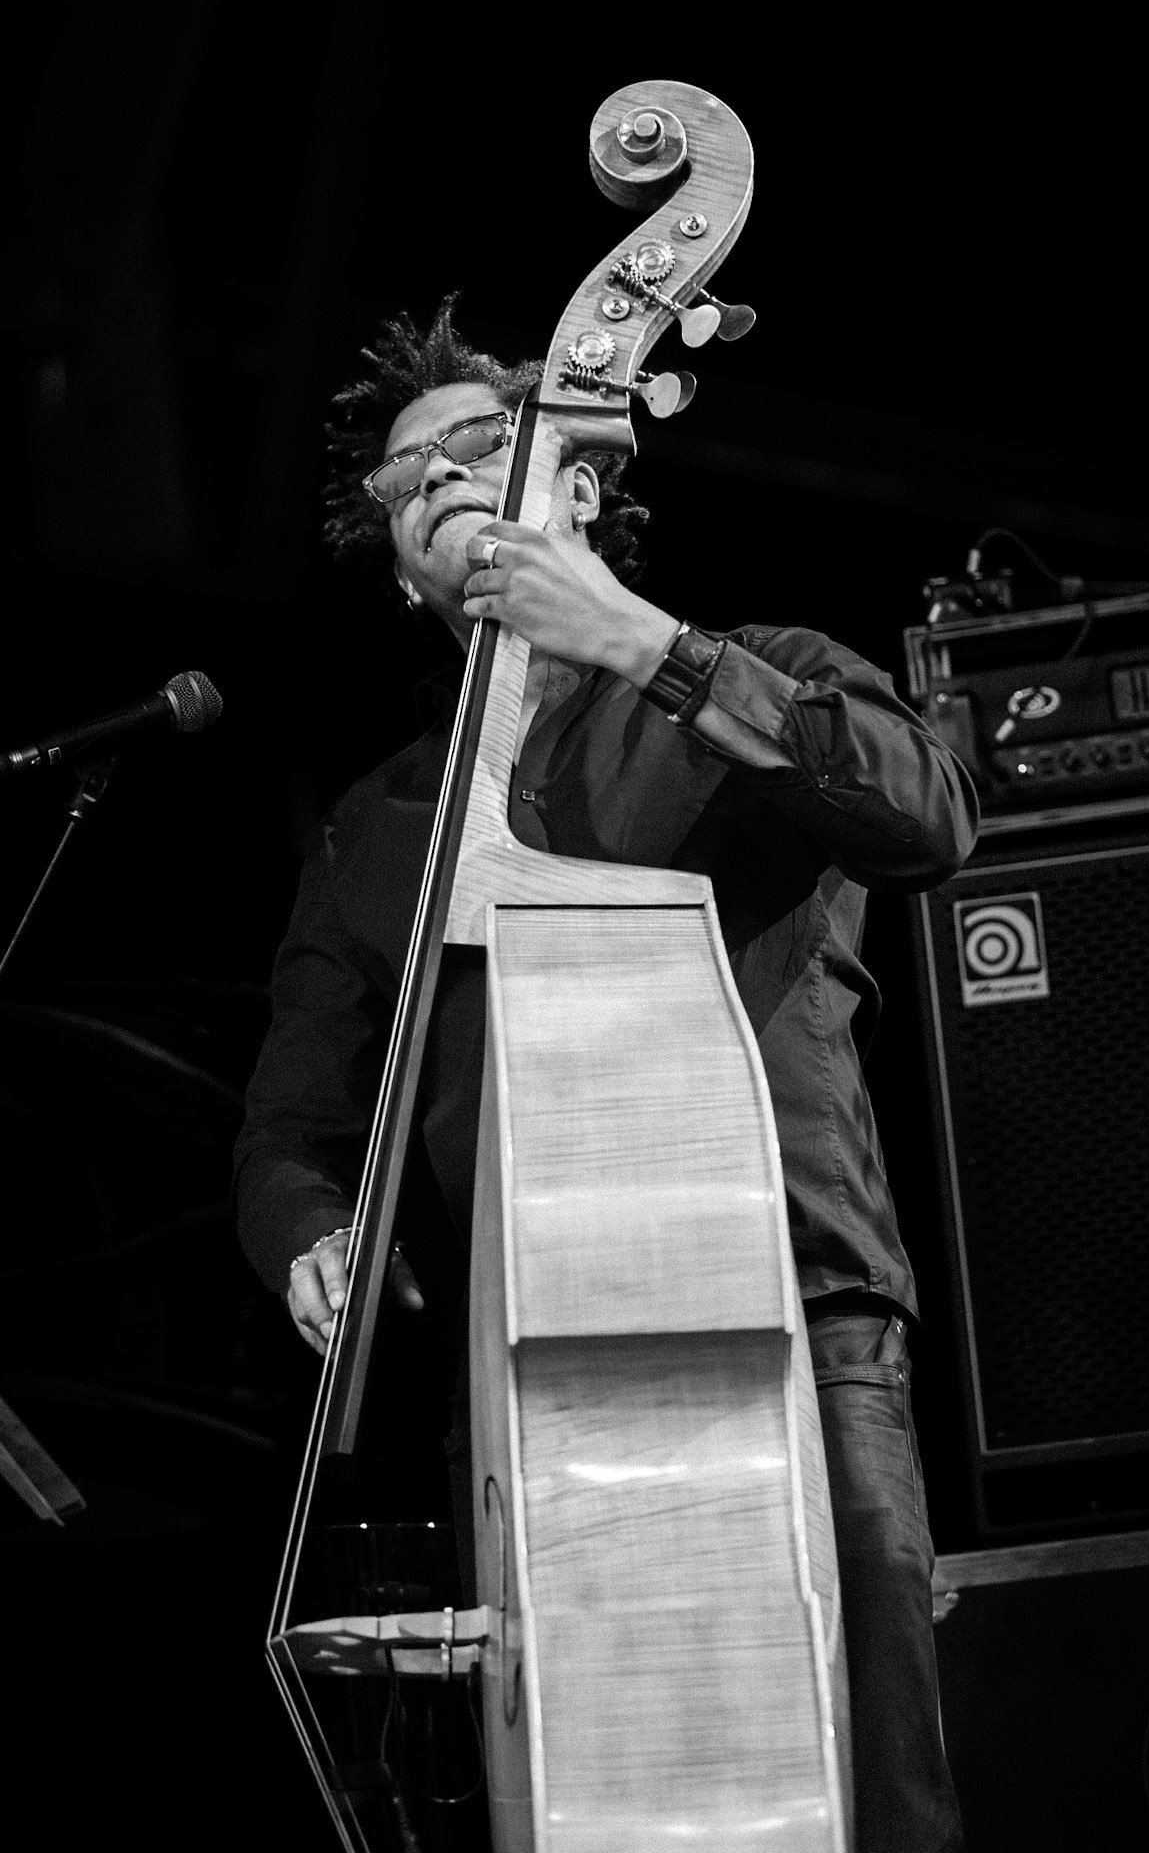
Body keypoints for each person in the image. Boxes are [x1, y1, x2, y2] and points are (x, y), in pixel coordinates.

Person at [234, 296, 977, 1852]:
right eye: (398, 483)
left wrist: (643, 645)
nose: (428, 481)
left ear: (574, 479)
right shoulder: (378, 824)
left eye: (468, 449)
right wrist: (310, 1236)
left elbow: (925, 817)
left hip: (788, 1310)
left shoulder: (751, 675)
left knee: (871, 1783)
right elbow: (293, 1127)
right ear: (392, 559)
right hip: (521, 1387)